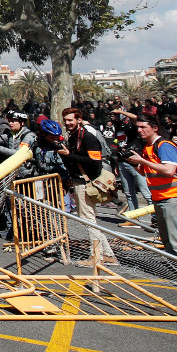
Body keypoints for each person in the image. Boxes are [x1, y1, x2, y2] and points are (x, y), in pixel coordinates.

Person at [125, 115, 177, 282]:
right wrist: (134, 163)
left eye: (143, 127)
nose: (140, 130)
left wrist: (142, 160)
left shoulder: (164, 145)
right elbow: (145, 173)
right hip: (160, 198)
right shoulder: (148, 147)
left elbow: (169, 171)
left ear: (155, 127)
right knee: (168, 241)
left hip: (173, 198)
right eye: (138, 127)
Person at [57, 108, 117, 267]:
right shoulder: (74, 135)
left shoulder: (87, 137)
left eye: (71, 120)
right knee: (90, 219)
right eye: (66, 120)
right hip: (78, 181)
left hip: (86, 183)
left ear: (79, 119)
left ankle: (95, 255)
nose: (68, 123)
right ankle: (108, 255)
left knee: (88, 220)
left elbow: (94, 162)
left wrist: (68, 155)